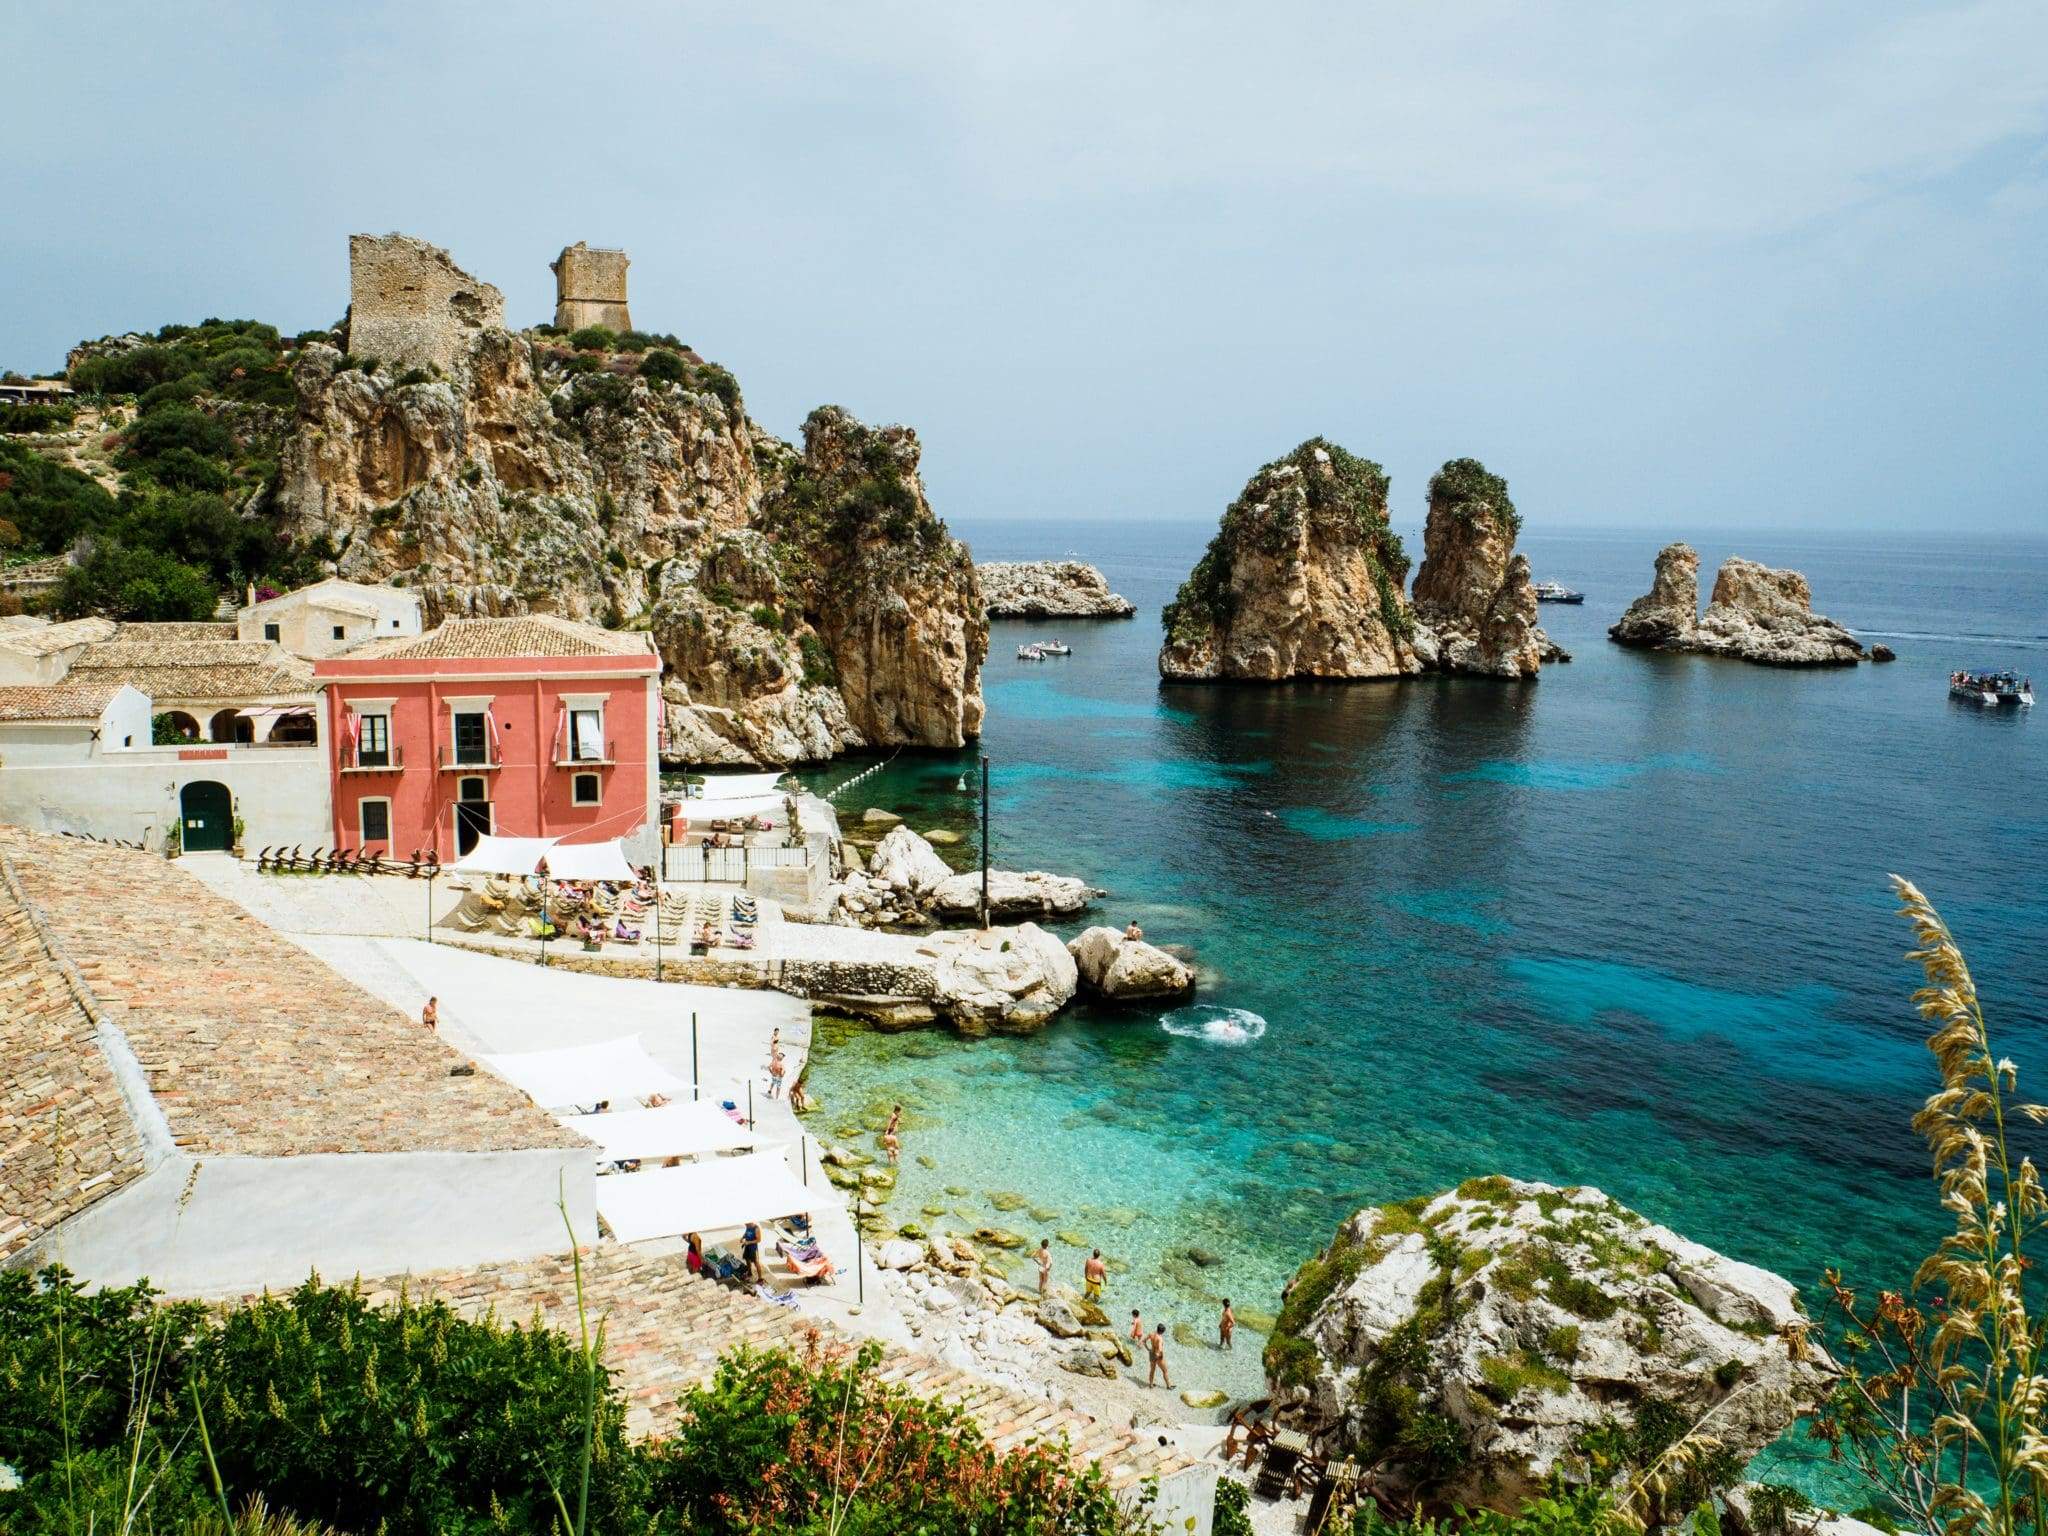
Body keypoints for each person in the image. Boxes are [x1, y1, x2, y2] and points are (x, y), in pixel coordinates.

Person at [1147, 1324, 1172, 1388]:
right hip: (1158, 1356)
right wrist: (1160, 1356)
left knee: (1152, 1370)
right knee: (1165, 1370)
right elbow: (1160, 1350)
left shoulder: (1151, 1334)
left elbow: (1144, 1341)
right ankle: (1168, 1386)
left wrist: (1148, 1349)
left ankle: (1151, 1384)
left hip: (1151, 1353)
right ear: (1162, 1332)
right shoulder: (1160, 1338)